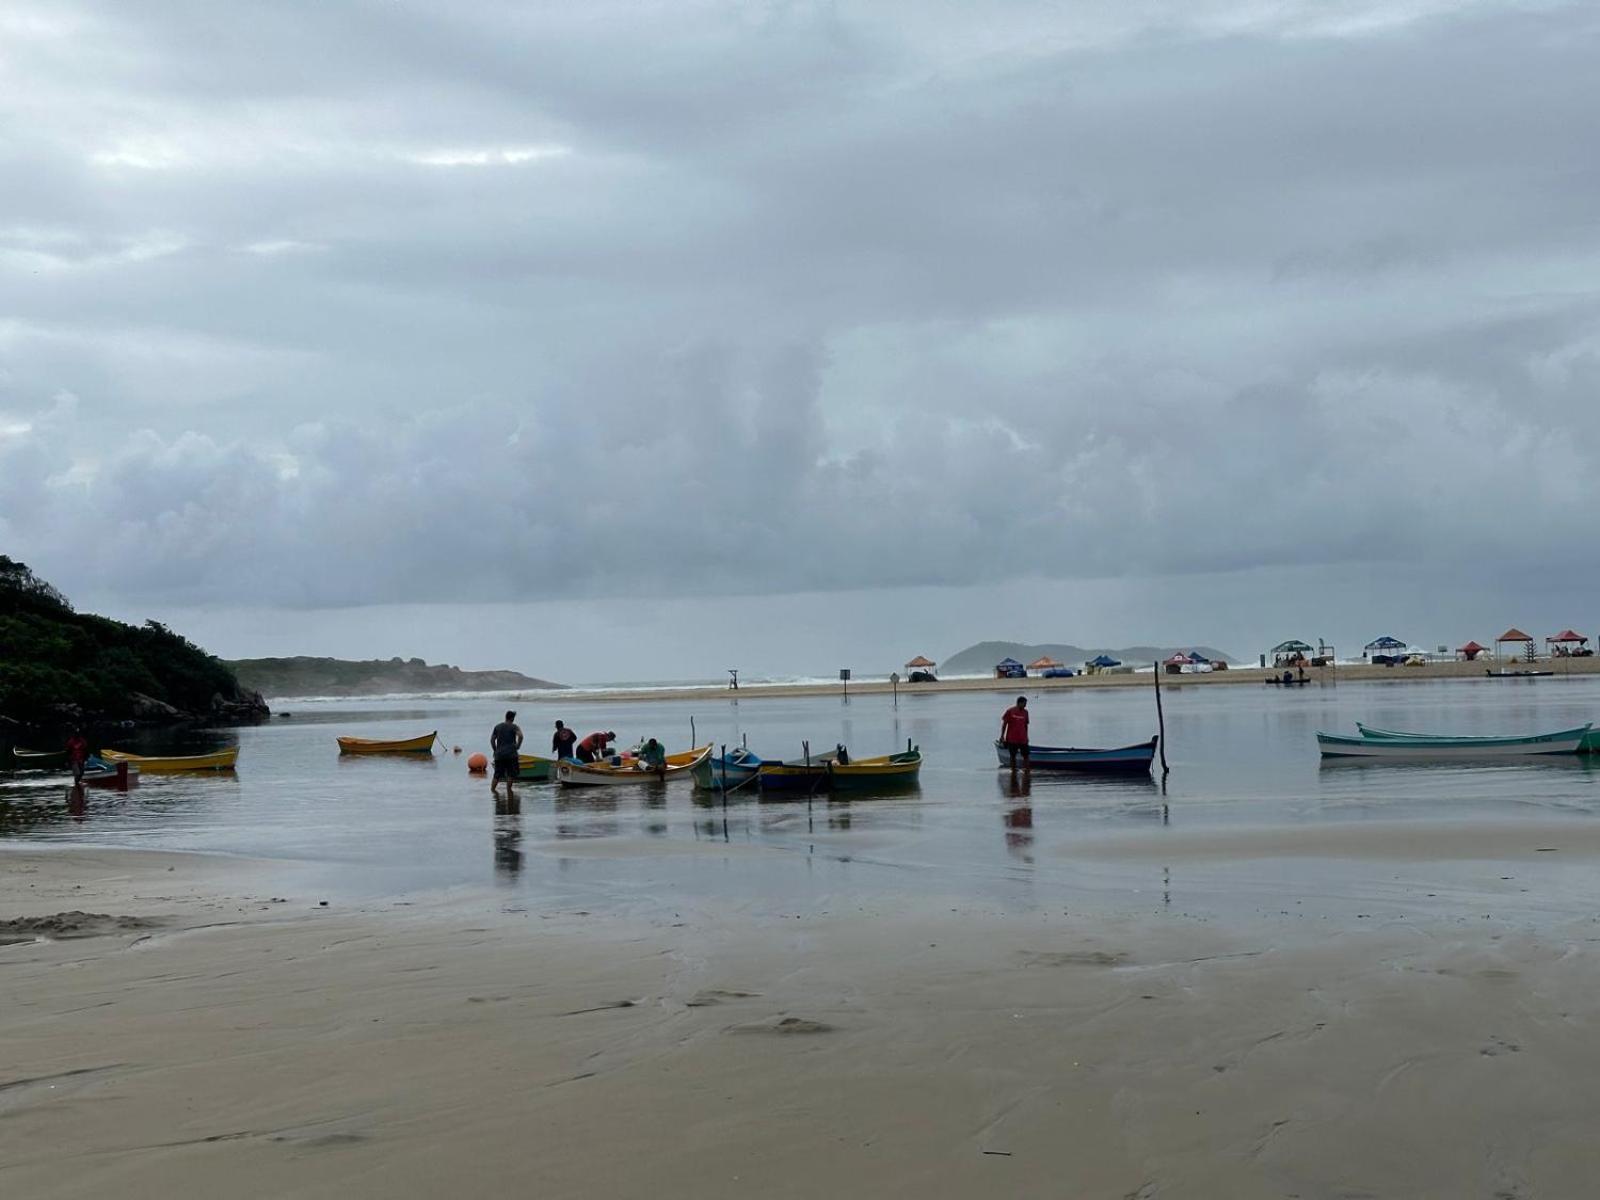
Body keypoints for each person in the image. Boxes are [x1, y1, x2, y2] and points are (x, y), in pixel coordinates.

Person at [490, 710, 523, 797]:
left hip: (499, 755)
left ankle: (492, 790)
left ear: (506, 717)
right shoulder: (514, 727)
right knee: (510, 773)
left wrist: (495, 750)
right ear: (512, 718)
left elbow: (492, 740)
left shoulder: (497, 727)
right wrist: (518, 746)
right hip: (511, 754)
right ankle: (509, 790)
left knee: (497, 774)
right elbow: (521, 736)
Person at [1000, 696, 1030, 769]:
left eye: (1026, 704)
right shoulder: (1010, 711)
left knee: (1026, 756)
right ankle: (1013, 770)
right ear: (1019, 703)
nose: (1025, 705)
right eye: (1024, 703)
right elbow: (1004, 724)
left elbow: (1026, 725)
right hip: (1012, 739)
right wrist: (1002, 736)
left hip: (1023, 739)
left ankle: (1026, 771)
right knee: (1013, 756)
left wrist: (1026, 737)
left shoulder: (1026, 712)